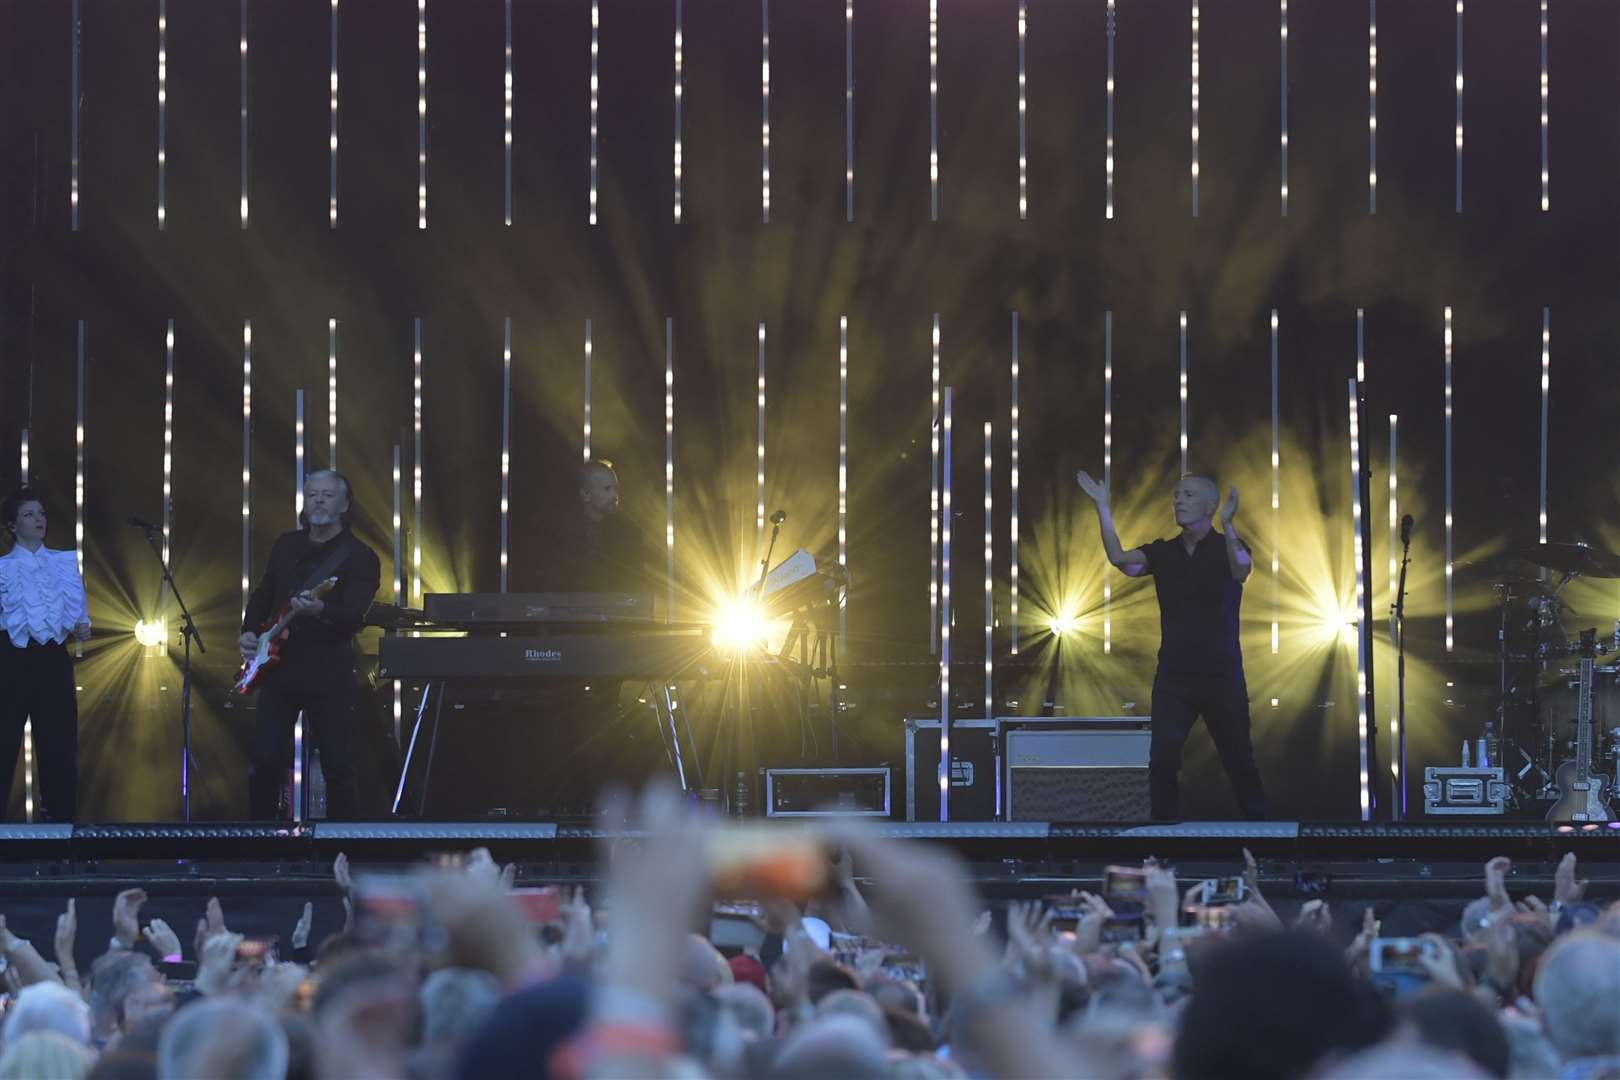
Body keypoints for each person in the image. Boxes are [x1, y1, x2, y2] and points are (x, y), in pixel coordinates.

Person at [1076, 470, 1267, 821]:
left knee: (1238, 760)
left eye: (1189, 495)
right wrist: (1103, 507)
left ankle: (1266, 844)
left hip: (1222, 675)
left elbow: (1242, 569)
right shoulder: (1163, 552)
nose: (1178, 500)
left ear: (1210, 507)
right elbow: (1120, 559)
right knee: (1162, 761)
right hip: (1174, 678)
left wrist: (1229, 525)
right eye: (1177, 494)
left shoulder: (1227, 547)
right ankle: (1163, 841)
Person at [239, 470, 380, 820]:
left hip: (328, 669)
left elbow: (353, 614)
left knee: (337, 763)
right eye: (312, 493)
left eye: (327, 495)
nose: (318, 500)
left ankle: (340, 846)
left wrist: (321, 610)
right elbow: (263, 594)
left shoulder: (359, 556)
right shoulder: (286, 545)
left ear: (345, 504)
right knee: (265, 758)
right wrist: (249, 631)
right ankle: (261, 842)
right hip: (279, 668)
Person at [0, 486, 90, 822]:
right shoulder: (3, 568)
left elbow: (79, 616)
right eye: (29, 514)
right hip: (10, 660)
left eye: (41, 514)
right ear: (12, 525)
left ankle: (62, 834)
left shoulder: (64, 563)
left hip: (52, 660)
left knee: (59, 748)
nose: (39, 520)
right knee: (3, 744)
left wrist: (82, 627)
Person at [545, 459, 648, 597]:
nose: (614, 496)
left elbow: (636, 587)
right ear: (585, 495)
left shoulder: (629, 534)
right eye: (607, 489)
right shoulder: (561, 534)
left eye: (616, 488)